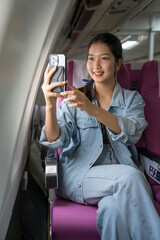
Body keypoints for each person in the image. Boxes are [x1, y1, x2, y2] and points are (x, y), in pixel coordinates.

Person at [40, 33, 160, 240]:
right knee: (130, 177)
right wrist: (50, 105)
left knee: (113, 210)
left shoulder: (133, 100)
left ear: (118, 63)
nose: (96, 65)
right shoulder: (74, 99)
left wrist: (93, 110)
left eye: (104, 58)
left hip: (117, 178)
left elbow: (132, 133)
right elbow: (54, 139)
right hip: (79, 176)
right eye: (91, 58)